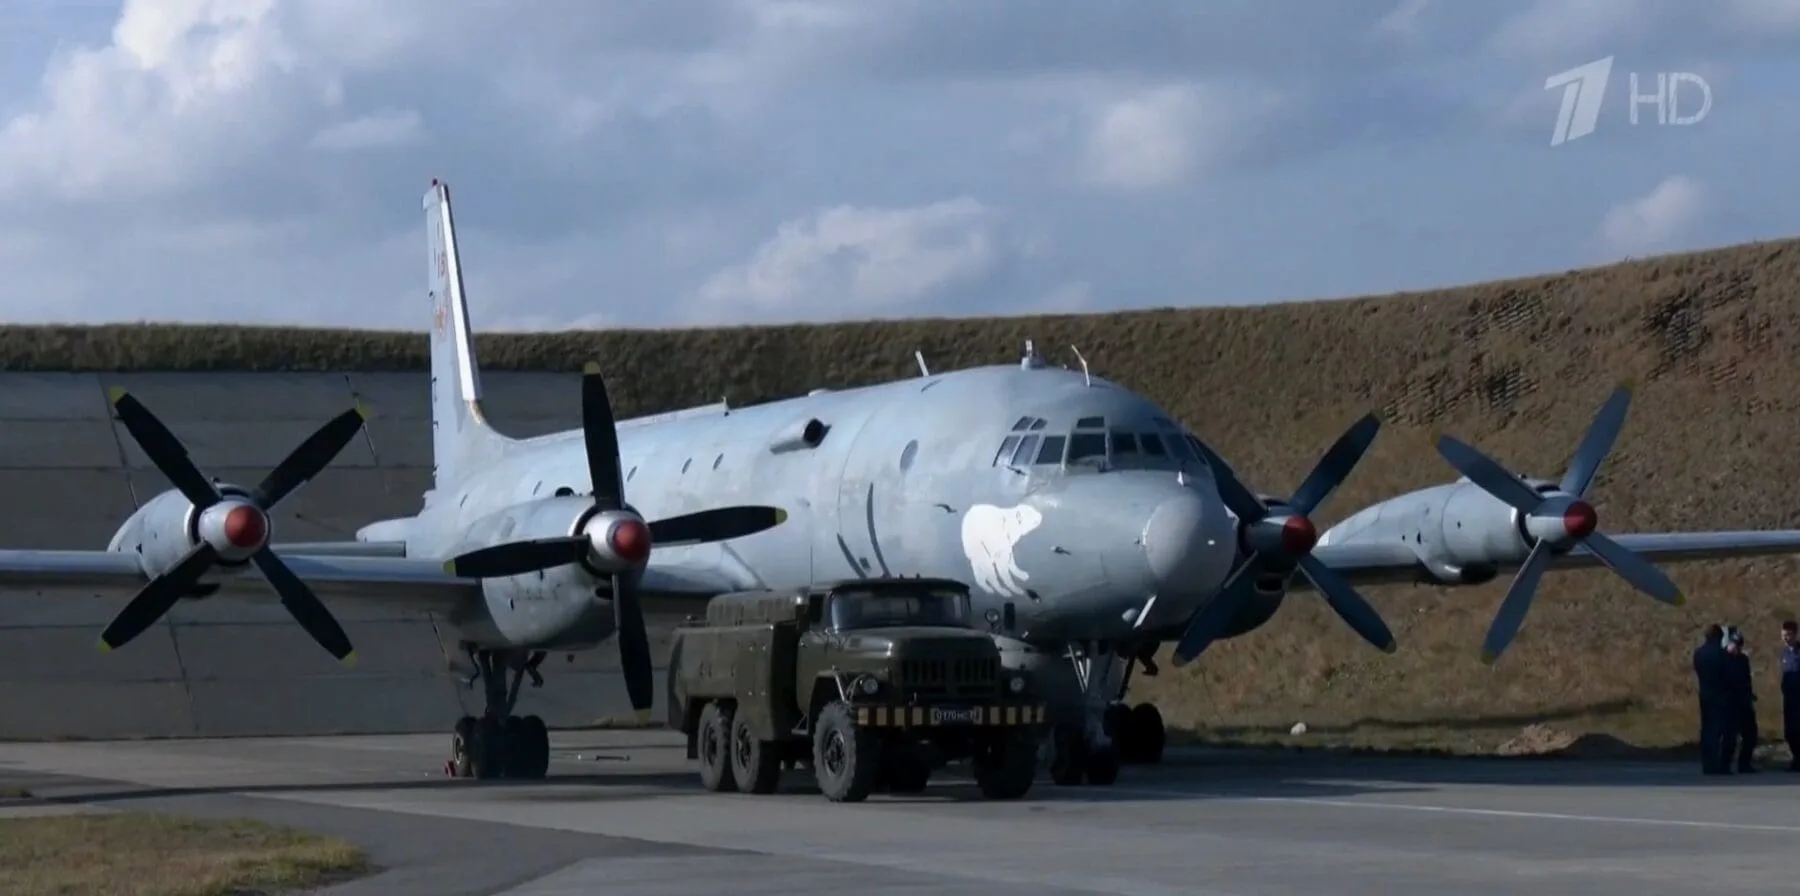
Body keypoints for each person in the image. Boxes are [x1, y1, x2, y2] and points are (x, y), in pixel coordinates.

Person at [1719, 626, 1758, 773]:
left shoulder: (1743, 659)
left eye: (1739, 645)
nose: (1737, 648)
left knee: (1751, 734)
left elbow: (1747, 680)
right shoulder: (1722, 660)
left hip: (1744, 702)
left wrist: (1750, 694)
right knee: (1730, 737)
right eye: (1735, 644)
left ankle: (1744, 764)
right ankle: (1725, 764)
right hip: (1730, 703)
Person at [1694, 623, 1727, 774]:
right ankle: (1715, 763)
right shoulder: (1720, 654)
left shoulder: (1699, 653)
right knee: (1716, 730)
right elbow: (1726, 675)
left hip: (1704, 693)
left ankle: (1707, 763)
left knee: (1706, 729)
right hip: (1719, 694)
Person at [1782, 620, 1800, 772]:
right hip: (1789, 698)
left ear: (1795, 634)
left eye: (1788, 635)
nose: (1785, 638)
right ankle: (1796, 758)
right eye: (1783, 635)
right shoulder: (1785, 653)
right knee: (1790, 731)